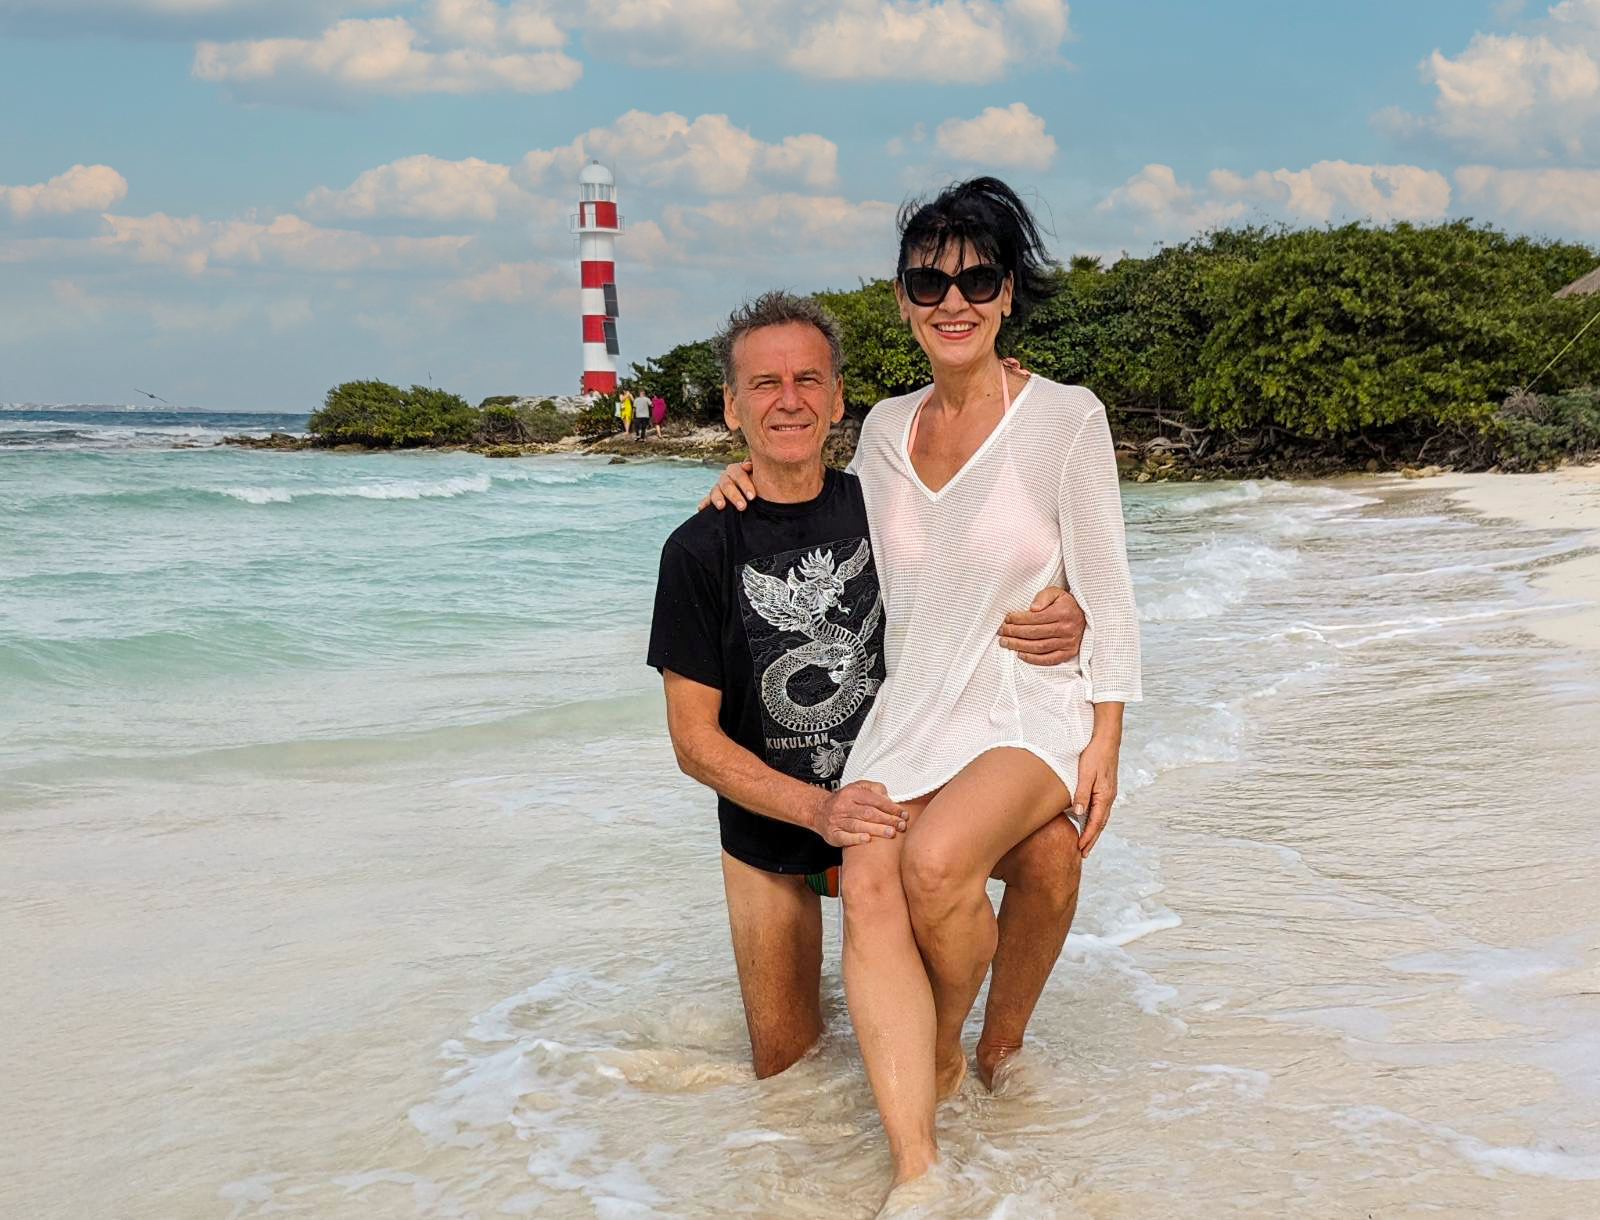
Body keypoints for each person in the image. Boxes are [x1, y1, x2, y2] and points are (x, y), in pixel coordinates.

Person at [706, 179, 1141, 1196]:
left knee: (938, 864)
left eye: (977, 279)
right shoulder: (883, 431)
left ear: (1007, 294)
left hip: (1027, 703)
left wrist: (1106, 734)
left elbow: (1109, 588)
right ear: (902, 300)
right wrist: (735, 489)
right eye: (929, 281)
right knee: (868, 878)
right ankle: (916, 1167)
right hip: (912, 710)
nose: (954, 300)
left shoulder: (1066, 418)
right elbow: (822, 520)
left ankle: (943, 1048)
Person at [649, 291, 1090, 1090]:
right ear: (731, 406)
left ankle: (998, 1060)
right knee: (790, 1077)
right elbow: (693, 743)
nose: (789, 400)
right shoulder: (697, 548)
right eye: (765, 384)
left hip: (906, 794)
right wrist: (819, 811)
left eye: (809, 380)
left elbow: (1000, 553)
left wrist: (1069, 610)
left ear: (838, 399)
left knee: (1055, 852)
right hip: (776, 831)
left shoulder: (888, 506)